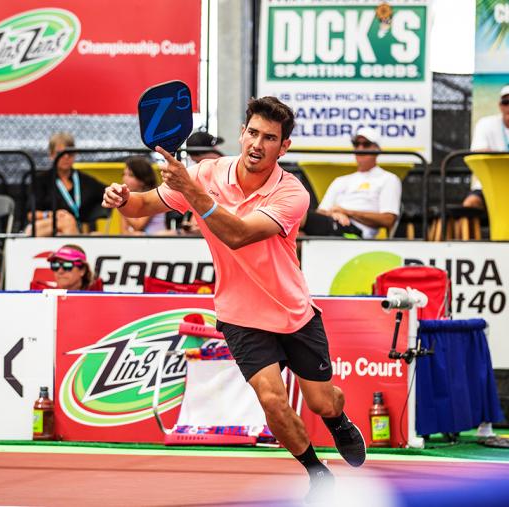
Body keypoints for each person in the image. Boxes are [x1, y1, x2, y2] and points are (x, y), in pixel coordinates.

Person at [103, 96, 366, 502]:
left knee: (322, 401)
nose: (258, 144)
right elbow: (142, 206)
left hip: (292, 311)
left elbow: (238, 234)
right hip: (240, 314)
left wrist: (191, 190)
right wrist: (123, 199)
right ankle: (316, 470)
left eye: (270, 138)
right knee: (272, 401)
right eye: (253, 133)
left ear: (284, 146)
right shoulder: (207, 173)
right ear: (242, 133)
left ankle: (338, 420)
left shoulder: (292, 193)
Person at [300, 127, 402, 239]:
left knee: (297, 218)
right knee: (294, 231)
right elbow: (321, 211)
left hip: (358, 234)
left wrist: (347, 212)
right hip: (333, 224)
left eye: (366, 144)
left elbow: (388, 220)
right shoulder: (340, 180)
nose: (360, 148)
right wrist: (334, 214)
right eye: (356, 144)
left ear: (378, 149)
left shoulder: (389, 179)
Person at [28, 132, 106, 236]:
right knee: (67, 221)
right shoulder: (40, 180)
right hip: (46, 228)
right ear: (51, 155)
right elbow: (30, 215)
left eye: (70, 153)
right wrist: (51, 214)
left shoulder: (85, 180)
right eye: (60, 154)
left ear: (75, 154)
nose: (65, 157)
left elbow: (109, 192)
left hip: (78, 230)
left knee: (97, 235)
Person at [463, 84, 509, 209]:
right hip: (489, 185)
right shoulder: (486, 124)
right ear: (500, 106)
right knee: (470, 204)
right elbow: (478, 151)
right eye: (506, 102)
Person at [120, 156, 167, 235]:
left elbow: (138, 226)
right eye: (124, 174)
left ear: (143, 180)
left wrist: (122, 204)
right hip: (139, 239)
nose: (125, 178)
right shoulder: (125, 199)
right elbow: (124, 232)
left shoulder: (153, 196)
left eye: (130, 175)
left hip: (156, 238)